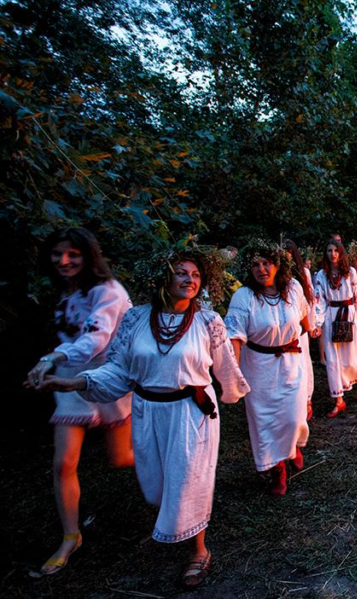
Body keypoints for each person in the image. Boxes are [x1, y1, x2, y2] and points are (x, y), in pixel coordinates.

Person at [35, 249, 248, 588]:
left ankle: (199, 550)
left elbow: (225, 367)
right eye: (181, 273)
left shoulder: (209, 321)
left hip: (191, 414)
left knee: (189, 479)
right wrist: (75, 381)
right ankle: (173, 523)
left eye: (195, 275)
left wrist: (234, 390)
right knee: (157, 484)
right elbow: (117, 371)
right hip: (147, 410)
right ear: (164, 276)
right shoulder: (136, 319)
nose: (189, 280)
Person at [25, 228, 134, 577]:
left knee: (121, 458)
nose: (64, 260)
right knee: (63, 463)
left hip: (109, 381)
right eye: (58, 253)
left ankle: (173, 470)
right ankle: (71, 536)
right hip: (69, 385)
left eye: (73, 253)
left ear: (89, 256)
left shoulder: (109, 292)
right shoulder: (64, 294)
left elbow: (95, 338)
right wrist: (49, 367)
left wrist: (50, 360)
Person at [226, 242, 313, 496]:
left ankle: (293, 447)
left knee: (294, 416)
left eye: (266, 263)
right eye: (256, 264)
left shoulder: (294, 289)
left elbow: (306, 322)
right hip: (258, 367)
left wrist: (290, 341)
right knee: (265, 422)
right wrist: (234, 374)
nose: (262, 269)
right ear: (248, 268)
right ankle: (277, 469)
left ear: (277, 265)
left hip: (291, 364)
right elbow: (234, 335)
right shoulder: (243, 296)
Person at [312, 241, 357, 417]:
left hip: (347, 313)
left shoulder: (351, 273)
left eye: (336, 251)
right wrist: (318, 323)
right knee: (332, 360)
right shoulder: (321, 275)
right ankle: (339, 400)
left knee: (349, 355)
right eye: (329, 251)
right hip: (330, 316)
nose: (333, 254)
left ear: (341, 253)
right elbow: (320, 300)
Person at [283, 239, 317, 420]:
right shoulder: (276, 274)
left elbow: (310, 299)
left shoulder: (302, 273)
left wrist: (311, 325)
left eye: (288, 253)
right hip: (284, 327)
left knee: (303, 361)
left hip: (300, 325)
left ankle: (307, 399)